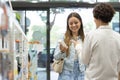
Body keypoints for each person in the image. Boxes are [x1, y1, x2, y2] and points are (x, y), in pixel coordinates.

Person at [80, 3, 120, 80]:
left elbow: (84, 60)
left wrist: (78, 47)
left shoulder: (91, 35)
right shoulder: (118, 37)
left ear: (97, 18)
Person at [53, 12, 86, 80]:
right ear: (68, 25)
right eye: (71, 23)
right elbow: (56, 56)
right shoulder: (63, 37)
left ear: (80, 23)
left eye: (76, 22)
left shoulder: (85, 38)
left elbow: (87, 57)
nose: (73, 25)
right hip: (66, 72)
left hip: (82, 72)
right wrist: (62, 51)